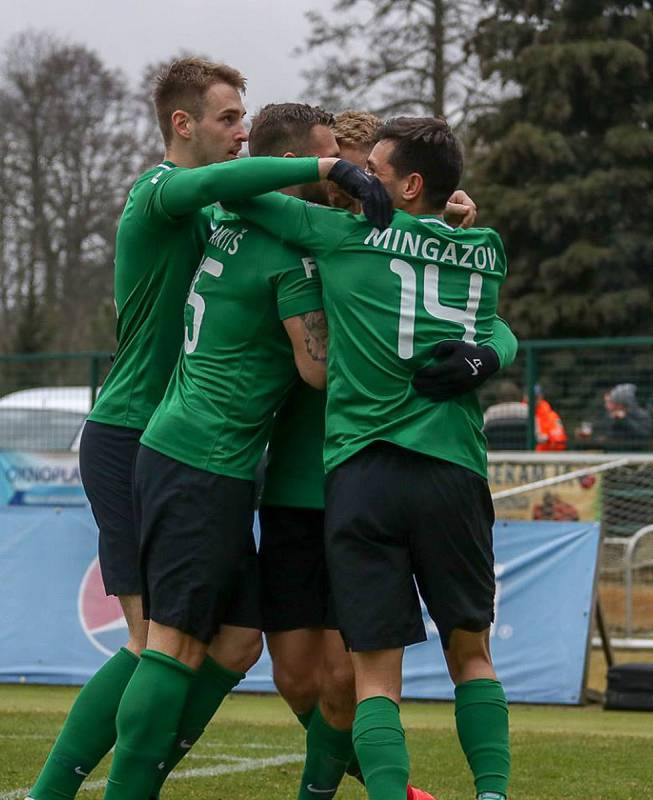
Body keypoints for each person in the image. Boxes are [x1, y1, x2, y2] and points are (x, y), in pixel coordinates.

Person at [26, 58, 387, 800]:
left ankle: (139, 775)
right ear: (181, 124)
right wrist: (329, 173)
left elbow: (271, 206)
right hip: (135, 430)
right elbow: (251, 199)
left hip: (196, 443)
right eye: (228, 119)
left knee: (233, 641)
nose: (241, 133)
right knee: (156, 640)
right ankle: (59, 792)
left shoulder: (231, 214)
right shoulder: (165, 192)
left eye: (246, 123)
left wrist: (428, 226)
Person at [227, 116, 511, 800]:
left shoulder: (340, 237)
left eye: (373, 171)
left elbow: (229, 191)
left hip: (363, 476)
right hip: (453, 471)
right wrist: (492, 344)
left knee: (374, 675)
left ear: (409, 184)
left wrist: (327, 174)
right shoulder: (485, 249)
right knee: (470, 656)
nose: (360, 179)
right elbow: (487, 318)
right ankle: (492, 794)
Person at [577, 382, 653, 450]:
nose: (608, 406)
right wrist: (589, 437)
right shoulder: (609, 416)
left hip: (635, 456)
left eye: (612, 402)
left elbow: (643, 434)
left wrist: (624, 419)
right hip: (611, 456)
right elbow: (604, 436)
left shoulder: (641, 415)